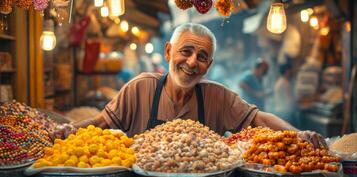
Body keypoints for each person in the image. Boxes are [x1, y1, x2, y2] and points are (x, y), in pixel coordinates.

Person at [55, 23, 326, 148]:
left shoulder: (216, 96)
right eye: (185, 52)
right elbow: (101, 122)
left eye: (202, 57)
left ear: (209, 64)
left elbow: (260, 119)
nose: (192, 62)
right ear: (169, 52)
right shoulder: (140, 88)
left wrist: (298, 134)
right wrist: (69, 130)